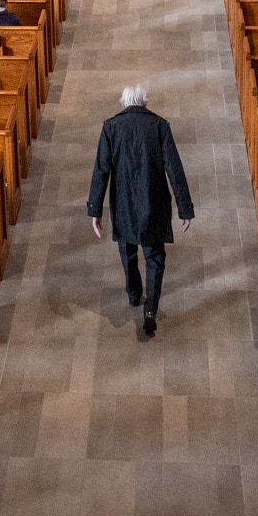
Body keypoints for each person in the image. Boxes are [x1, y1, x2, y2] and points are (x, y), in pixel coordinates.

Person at [89, 82, 193, 340]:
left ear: (124, 103)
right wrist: (185, 208)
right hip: (153, 201)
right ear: (145, 102)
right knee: (155, 256)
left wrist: (95, 209)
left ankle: (135, 294)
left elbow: (101, 170)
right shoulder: (160, 126)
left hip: (123, 202)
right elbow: (175, 169)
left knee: (127, 251)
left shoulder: (111, 127)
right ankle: (150, 309)